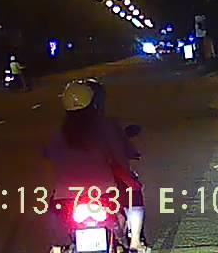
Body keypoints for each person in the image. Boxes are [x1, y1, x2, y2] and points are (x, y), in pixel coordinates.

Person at [43, 80, 147, 253]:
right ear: (95, 103)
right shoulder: (106, 127)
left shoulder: (61, 131)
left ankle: (56, 247)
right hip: (104, 193)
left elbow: (49, 153)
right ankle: (135, 242)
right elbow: (120, 157)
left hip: (67, 196)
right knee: (133, 192)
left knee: (54, 208)